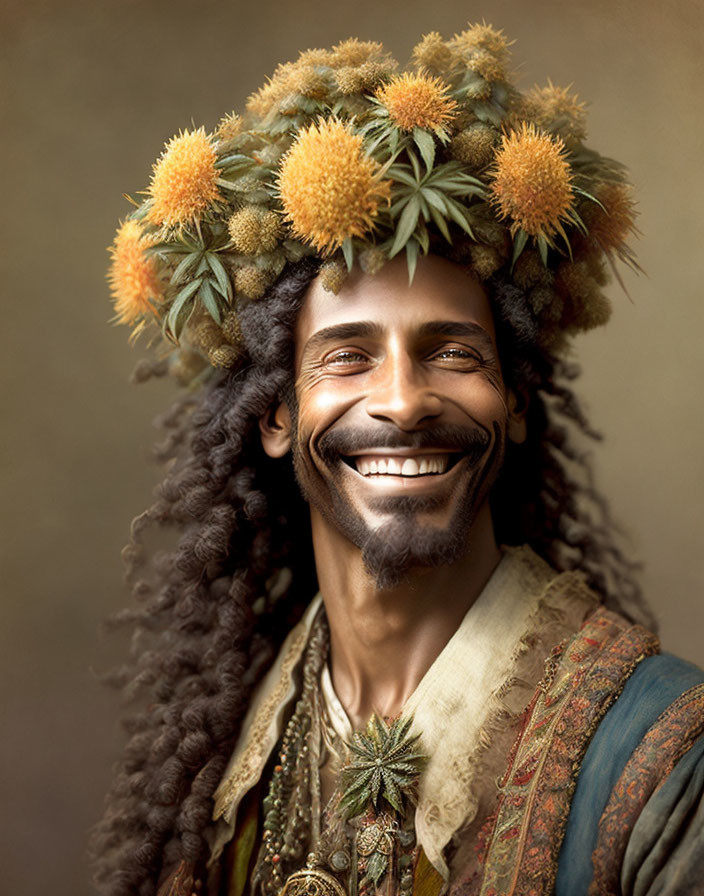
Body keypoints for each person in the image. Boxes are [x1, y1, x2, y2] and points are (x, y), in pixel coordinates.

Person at [93, 23, 704, 896]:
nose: (404, 401)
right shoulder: (227, 758)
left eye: (453, 352)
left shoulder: (666, 760)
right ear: (274, 413)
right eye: (346, 356)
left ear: (518, 402)